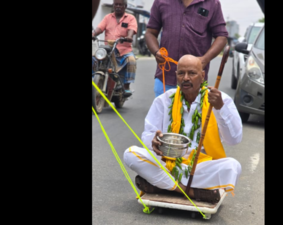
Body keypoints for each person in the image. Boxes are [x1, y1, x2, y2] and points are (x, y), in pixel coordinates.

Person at [123, 55, 242, 203]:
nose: (186, 78)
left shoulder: (219, 99)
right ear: (176, 75)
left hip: (200, 166)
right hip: (167, 163)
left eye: (192, 73)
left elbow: (234, 139)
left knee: (232, 166)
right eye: (181, 73)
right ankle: (188, 191)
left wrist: (220, 108)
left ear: (202, 75)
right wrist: (153, 140)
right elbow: (148, 134)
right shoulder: (164, 100)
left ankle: (162, 185)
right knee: (130, 154)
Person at [145, 0, 229, 97]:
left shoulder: (212, 3)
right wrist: (156, 52)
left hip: (196, 83)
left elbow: (222, 36)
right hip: (166, 78)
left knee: (194, 112)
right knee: (163, 111)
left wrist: (204, 59)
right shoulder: (160, 2)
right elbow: (150, 32)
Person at [92, 0, 137, 94]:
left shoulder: (130, 18)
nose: (118, 6)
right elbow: (99, 28)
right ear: (113, 5)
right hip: (109, 49)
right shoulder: (107, 17)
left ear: (125, 6)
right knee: (95, 59)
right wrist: (93, 33)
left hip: (124, 50)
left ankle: (126, 86)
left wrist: (128, 37)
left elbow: (131, 29)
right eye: (116, 4)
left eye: (120, 4)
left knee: (131, 60)